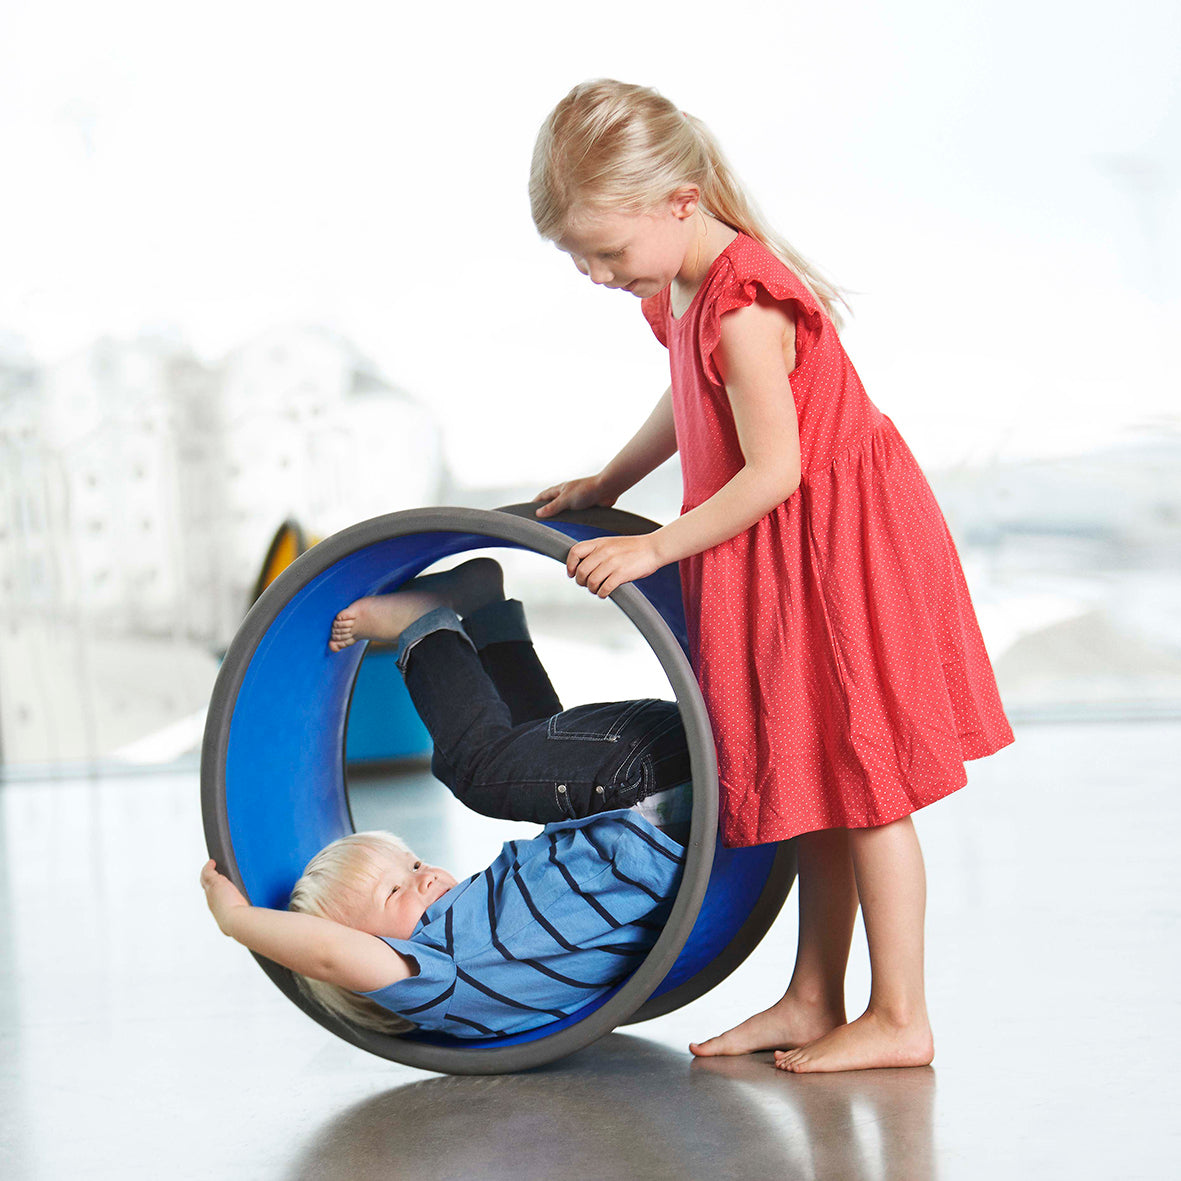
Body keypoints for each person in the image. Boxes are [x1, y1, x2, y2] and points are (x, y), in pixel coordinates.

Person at [528, 79, 1014, 1073]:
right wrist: (610, 479)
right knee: (811, 775)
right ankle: (812, 995)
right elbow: (687, 397)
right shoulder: (679, 287)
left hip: (833, 550)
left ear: (677, 201)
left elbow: (775, 469)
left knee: (868, 785)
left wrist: (654, 545)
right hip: (776, 551)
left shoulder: (745, 298)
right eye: (576, 257)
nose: (593, 274)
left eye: (604, 251)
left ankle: (900, 1014)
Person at [201, 558, 690, 1040]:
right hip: (651, 790)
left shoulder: (473, 953)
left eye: (413, 865)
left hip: (646, 795)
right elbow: (329, 954)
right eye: (394, 893)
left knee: (514, 771)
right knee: (477, 771)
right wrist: (236, 921)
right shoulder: (433, 975)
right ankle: (425, 626)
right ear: (373, 954)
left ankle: (484, 612)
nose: (425, 878)